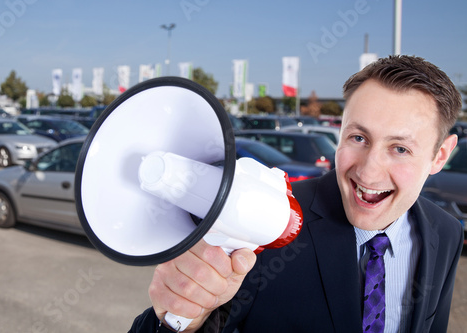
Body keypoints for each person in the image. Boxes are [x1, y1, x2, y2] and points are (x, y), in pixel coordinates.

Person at [129, 55, 464, 333]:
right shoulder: (269, 221)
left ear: (440, 155)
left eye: (400, 149)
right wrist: (181, 318)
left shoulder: (445, 233)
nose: (368, 171)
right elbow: (191, 320)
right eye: (358, 138)